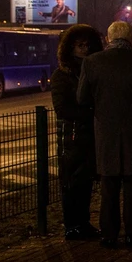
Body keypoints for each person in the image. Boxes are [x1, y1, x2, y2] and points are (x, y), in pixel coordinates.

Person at [77, 21, 132, 249]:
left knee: (109, 187)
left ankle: (109, 234)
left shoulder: (92, 62)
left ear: (109, 38)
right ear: (131, 38)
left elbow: (82, 98)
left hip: (106, 134)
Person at [52, 24, 103, 240]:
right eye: (79, 45)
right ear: (70, 47)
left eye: (87, 45)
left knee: (86, 182)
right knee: (72, 183)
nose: (84, 49)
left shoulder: (93, 69)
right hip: (72, 136)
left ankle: (83, 223)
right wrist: (90, 113)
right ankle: (72, 225)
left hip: (91, 135)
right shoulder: (62, 74)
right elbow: (62, 108)